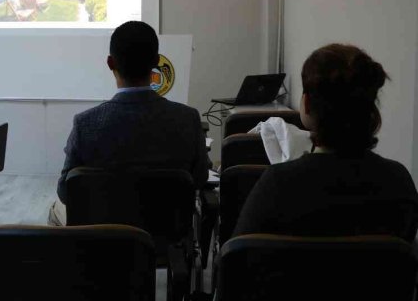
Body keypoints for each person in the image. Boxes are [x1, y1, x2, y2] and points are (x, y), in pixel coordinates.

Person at [234, 44, 418, 240]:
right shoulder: (398, 182)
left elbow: (235, 260)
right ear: (370, 110)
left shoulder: (277, 184)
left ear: (306, 104)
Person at [49, 21, 209, 226]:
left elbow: (65, 191)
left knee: (55, 210)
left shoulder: (85, 124)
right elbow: (199, 178)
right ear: (157, 61)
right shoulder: (188, 119)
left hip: (103, 234)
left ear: (110, 63)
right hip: (166, 235)